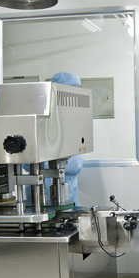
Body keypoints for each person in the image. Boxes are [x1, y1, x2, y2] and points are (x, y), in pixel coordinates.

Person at [50, 72, 83, 207]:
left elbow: (74, 163)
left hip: (68, 185)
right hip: (44, 185)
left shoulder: (73, 118)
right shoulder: (47, 117)